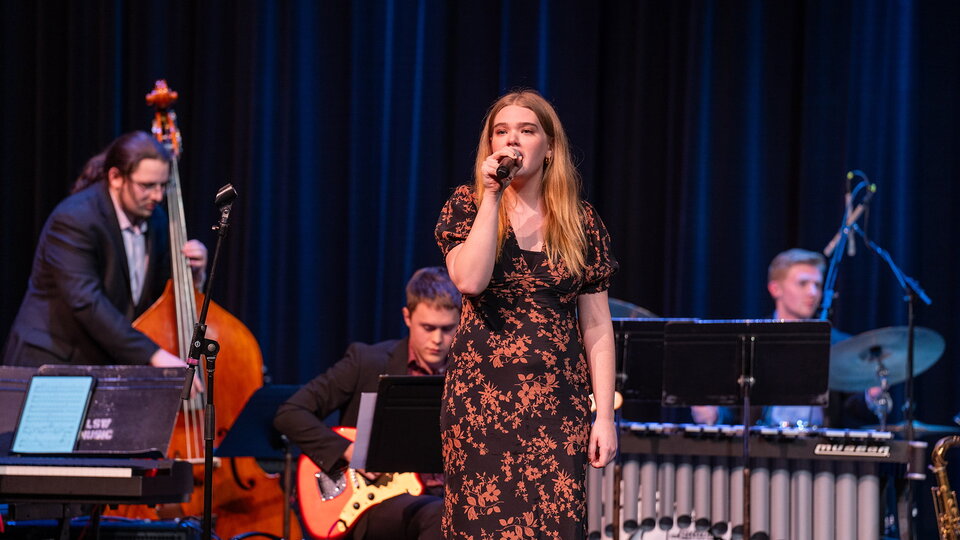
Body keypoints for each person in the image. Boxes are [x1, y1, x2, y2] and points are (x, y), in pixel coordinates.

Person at [435, 89, 619, 539]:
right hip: (482, 404)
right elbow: (470, 281)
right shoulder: (468, 205)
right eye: (501, 131)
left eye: (526, 130)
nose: (512, 140)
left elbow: (596, 324)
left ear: (550, 146)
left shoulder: (581, 222)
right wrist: (492, 197)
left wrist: (604, 417)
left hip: (558, 405)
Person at [273, 266, 461, 540]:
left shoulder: (469, 375)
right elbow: (290, 413)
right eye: (428, 328)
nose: (437, 340)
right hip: (374, 502)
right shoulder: (368, 361)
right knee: (439, 515)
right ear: (407, 317)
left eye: (447, 329)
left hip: (445, 495)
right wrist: (350, 452)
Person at [2, 131, 206, 368]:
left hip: (103, 364)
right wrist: (154, 355)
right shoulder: (75, 219)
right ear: (116, 177)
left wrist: (193, 274)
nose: (158, 195)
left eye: (163, 185)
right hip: (51, 361)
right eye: (147, 185)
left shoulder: (157, 221)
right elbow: (88, 303)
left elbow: (159, 300)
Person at [762, 248, 877, 428]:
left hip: (818, 446)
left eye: (817, 285)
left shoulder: (839, 343)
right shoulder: (754, 338)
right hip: (761, 445)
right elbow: (735, 408)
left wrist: (872, 394)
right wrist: (712, 413)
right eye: (803, 284)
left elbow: (855, 407)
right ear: (776, 289)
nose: (813, 293)